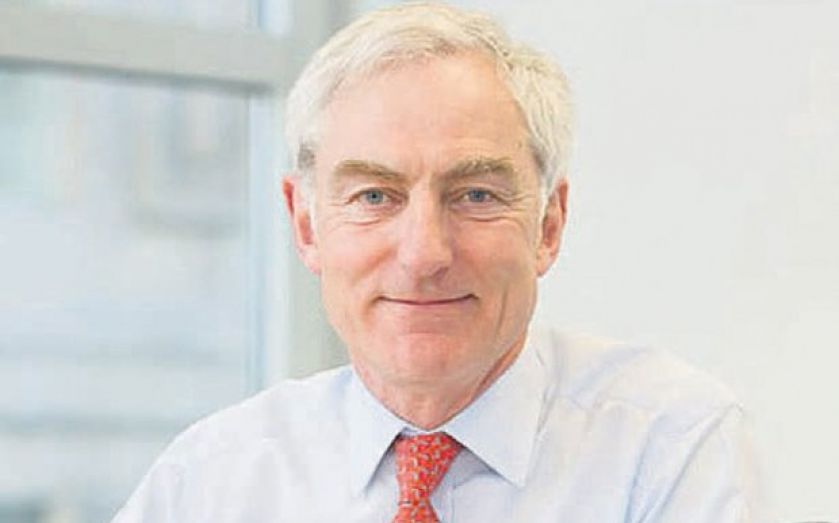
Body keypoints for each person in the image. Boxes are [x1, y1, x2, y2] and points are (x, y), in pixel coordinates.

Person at [113, 3, 763, 522]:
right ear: (306, 225)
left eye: (475, 195)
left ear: (549, 224)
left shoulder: (667, 446)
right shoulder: (212, 479)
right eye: (374, 196)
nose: (424, 253)